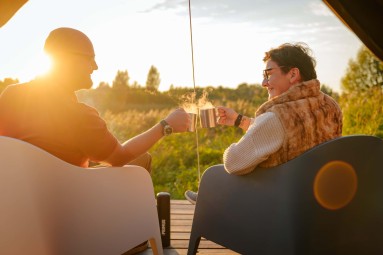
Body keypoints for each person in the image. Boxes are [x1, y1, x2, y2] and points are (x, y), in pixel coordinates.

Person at [0, 27, 190, 254]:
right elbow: (119, 157)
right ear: (67, 60)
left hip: (19, 217)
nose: (95, 66)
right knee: (142, 160)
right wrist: (165, 126)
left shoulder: (11, 96)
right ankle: (127, 236)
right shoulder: (77, 114)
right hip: (73, 218)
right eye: (90, 58)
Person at [185, 42, 343, 205]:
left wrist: (235, 147)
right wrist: (240, 121)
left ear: (293, 74)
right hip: (317, 201)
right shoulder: (330, 106)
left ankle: (207, 201)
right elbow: (288, 134)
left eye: (268, 74)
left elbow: (233, 162)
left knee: (217, 174)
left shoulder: (277, 117)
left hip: (278, 207)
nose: (263, 82)